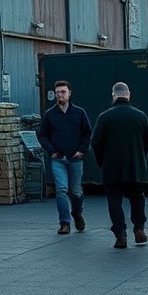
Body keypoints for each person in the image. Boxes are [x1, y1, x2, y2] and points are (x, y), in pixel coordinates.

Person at [91, 81, 148, 249]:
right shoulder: (140, 116)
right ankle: (139, 227)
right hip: (135, 167)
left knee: (114, 200)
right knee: (137, 197)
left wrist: (102, 161)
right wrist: (140, 155)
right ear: (128, 94)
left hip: (112, 168)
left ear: (113, 95)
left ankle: (120, 234)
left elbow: (96, 142)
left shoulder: (104, 116)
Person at [37, 79, 93, 235]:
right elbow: (42, 135)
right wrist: (52, 151)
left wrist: (82, 150)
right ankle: (64, 223)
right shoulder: (50, 114)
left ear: (70, 93)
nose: (60, 95)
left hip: (76, 158)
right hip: (58, 159)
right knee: (61, 190)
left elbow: (87, 133)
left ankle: (77, 213)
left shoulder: (79, 113)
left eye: (63, 92)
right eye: (57, 92)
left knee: (75, 191)